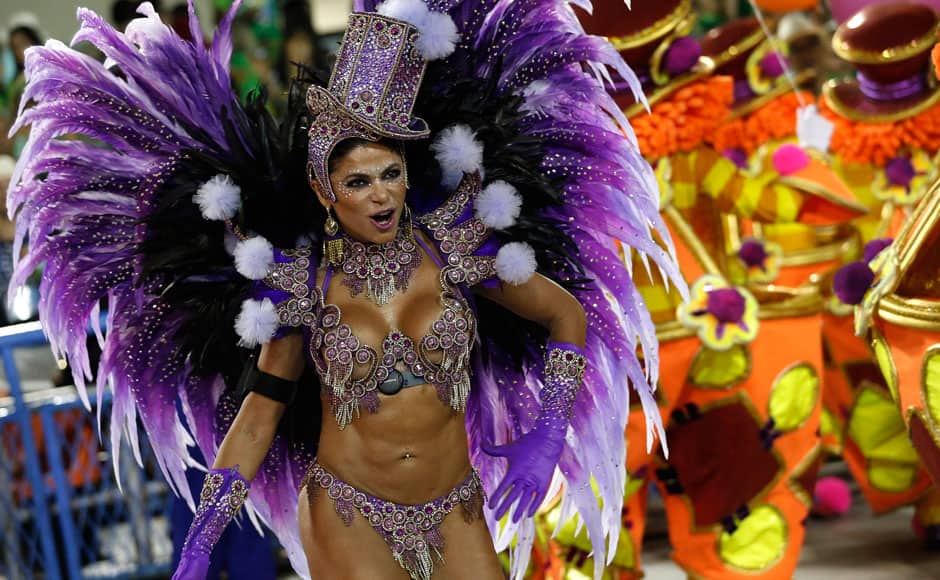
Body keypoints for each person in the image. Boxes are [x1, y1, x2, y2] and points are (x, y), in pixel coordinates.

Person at [7, 1, 683, 579]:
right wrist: (200, 541)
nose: (381, 192)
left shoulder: (457, 252)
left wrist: (546, 437)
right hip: (349, 508)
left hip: (456, 505)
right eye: (359, 182)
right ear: (327, 194)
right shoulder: (303, 288)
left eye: (390, 172)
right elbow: (260, 418)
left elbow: (565, 315)